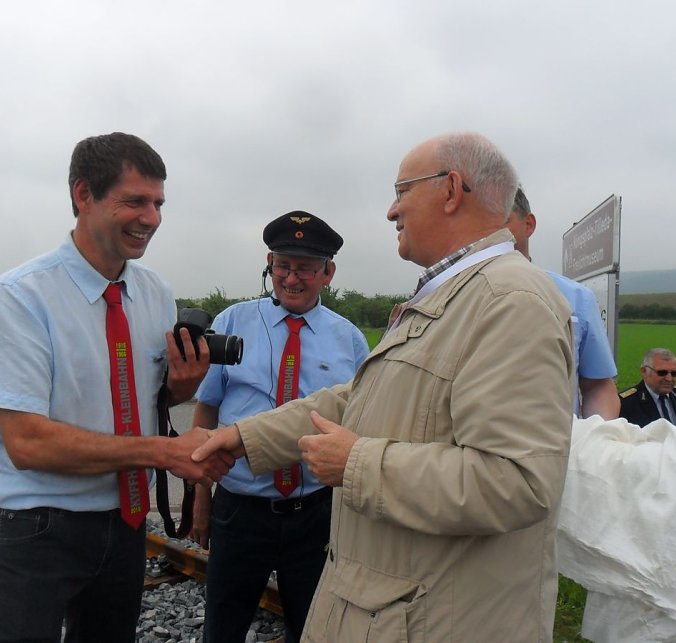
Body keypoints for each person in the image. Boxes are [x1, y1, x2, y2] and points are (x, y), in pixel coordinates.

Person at [193, 132, 576, 641]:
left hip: (438, 620)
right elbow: (360, 398)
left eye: (402, 191)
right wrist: (245, 437)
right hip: (401, 607)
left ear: (451, 190)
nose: (392, 210)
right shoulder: (455, 294)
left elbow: (519, 482)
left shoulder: (509, 302)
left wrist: (355, 463)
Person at [0, 132, 232, 643]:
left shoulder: (154, 291)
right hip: (36, 525)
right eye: (135, 201)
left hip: (124, 521)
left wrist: (180, 387)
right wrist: (164, 452)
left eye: (158, 203)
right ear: (84, 195)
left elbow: (142, 400)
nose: (151, 218)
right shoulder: (21, 296)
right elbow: (27, 443)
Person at [191, 211, 369, 643]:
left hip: (315, 513)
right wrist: (200, 499)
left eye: (304, 268)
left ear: (327, 273)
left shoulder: (350, 340)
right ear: (269, 264)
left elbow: (362, 423)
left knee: (312, 628)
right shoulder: (231, 324)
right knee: (223, 626)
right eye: (282, 266)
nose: (291, 278)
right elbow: (206, 410)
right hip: (240, 510)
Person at [507, 187, 620, 419]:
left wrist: (597, 434)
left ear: (528, 224)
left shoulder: (576, 298)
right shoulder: (449, 296)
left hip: (559, 440)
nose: (486, 235)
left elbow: (598, 385)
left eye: (500, 222)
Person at [619, 347, 676, 442]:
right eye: (662, 373)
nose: (669, 378)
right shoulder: (627, 402)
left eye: (674, 373)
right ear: (644, 371)